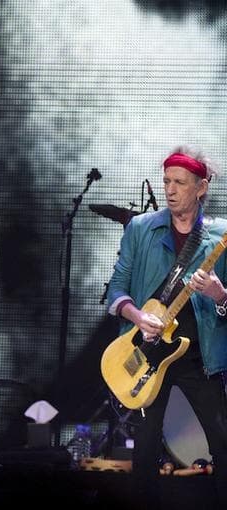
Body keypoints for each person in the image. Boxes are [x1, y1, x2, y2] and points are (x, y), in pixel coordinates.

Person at [107, 145, 227, 508]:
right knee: (144, 446)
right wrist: (137, 316)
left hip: (200, 356)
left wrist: (220, 295)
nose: (170, 190)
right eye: (166, 181)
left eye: (179, 182)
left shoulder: (220, 235)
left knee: (222, 441)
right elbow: (117, 289)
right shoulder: (142, 228)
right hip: (150, 352)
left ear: (201, 187)